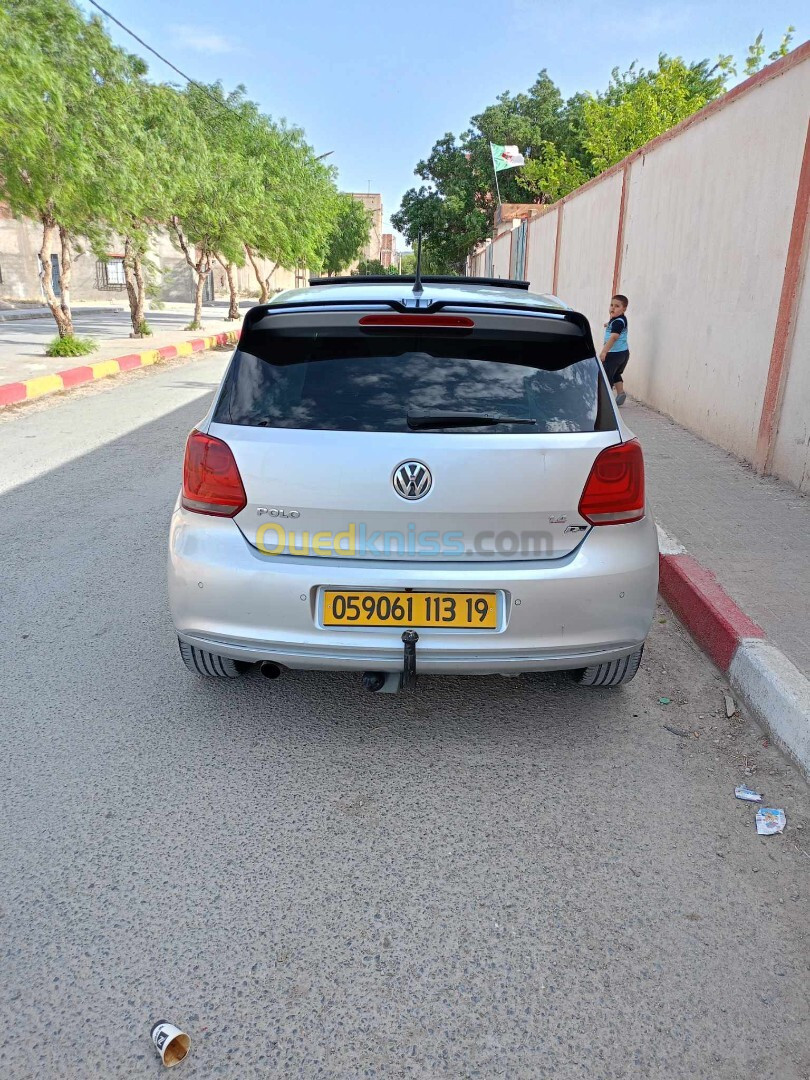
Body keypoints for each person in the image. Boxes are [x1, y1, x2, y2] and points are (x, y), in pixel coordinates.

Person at [599, 294, 629, 406]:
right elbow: (616, 325)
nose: (612, 308)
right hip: (624, 353)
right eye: (611, 305)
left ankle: (607, 402)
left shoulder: (617, 322)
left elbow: (614, 337)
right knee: (616, 373)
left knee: (607, 377)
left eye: (617, 306)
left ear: (624, 309)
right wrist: (608, 323)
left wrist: (604, 351)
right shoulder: (619, 320)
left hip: (614, 354)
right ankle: (621, 393)